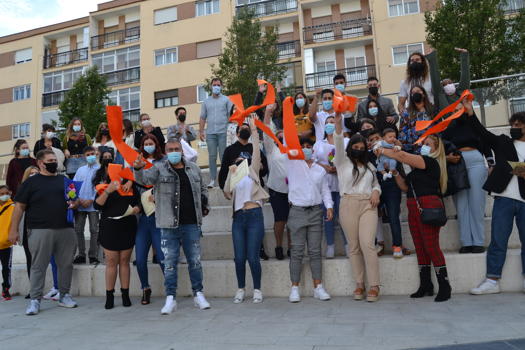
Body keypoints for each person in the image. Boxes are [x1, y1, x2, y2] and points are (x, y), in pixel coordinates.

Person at [133, 138, 211, 315]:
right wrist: (137, 168)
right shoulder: (159, 168)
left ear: (182, 151)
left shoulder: (194, 169)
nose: (174, 152)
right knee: (169, 263)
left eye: (176, 149)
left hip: (192, 223)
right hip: (168, 224)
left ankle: (198, 294)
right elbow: (144, 179)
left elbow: (204, 189)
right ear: (166, 152)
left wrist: (205, 205)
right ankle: (171, 298)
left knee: (195, 262)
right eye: (170, 149)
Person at [377, 135, 452, 302]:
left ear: (436, 149)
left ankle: (444, 285)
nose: (423, 146)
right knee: (420, 245)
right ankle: (426, 284)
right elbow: (404, 186)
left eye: (427, 144)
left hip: (427, 206)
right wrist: (395, 172)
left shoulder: (431, 163)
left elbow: (403, 156)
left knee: (431, 246)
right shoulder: (417, 169)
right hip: (414, 207)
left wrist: (383, 150)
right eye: (423, 144)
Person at [8, 149, 79, 315]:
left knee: (66, 265)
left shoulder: (64, 179)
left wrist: (75, 203)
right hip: (40, 230)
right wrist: (13, 230)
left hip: (65, 229)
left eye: (55, 160)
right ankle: (35, 300)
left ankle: (64, 295)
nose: (54, 162)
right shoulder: (31, 183)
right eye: (51, 160)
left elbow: (74, 200)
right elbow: (19, 207)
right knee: (38, 266)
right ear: (41, 163)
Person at [467, 109, 525, 295]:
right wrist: (470, 113)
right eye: (513, 125)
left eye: (518, 125)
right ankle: (492, 280)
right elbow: (481, 132)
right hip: (504, 198)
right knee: (498, 241)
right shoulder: (504, 142)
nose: (514, 128)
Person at [334, 113, 382, 301]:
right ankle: (360, 284)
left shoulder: (370, 165)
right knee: (353, 247)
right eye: (355, 147)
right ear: (350, 147)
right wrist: (338, 123)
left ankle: (375, 285)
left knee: (368, 244)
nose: (359, 150)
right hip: (348, 204)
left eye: (362, 148)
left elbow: (376, 183)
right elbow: (338, 142)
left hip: (368, 205)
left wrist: (376, 191)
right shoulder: (342, 161)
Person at [223, 117, 268, 304]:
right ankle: (241, 288)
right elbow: (226, 192)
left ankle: (257, 289)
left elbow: (256, 151)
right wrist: (231, 172)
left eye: (245, 159)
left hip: (254, 215)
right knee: (239, 257)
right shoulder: (234, 174)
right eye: (240, 159)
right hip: (238, 217)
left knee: (253, 257)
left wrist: (255, 131)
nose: (243, 160)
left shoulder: (253, 171)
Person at [287, 137, 333, 303]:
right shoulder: (292, 165)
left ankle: (318, 287)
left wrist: (329, 206)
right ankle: (294, 288)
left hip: (315, 211)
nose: (306, 149)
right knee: (297, 251)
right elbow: (278, 145)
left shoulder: (319, 170)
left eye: (309, 146)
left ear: (313, 150)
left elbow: (325, 190)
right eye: (303, 146)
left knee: (315, 251)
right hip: (297, 211)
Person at [441, 103, 492, 253]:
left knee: (477, 202)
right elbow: (441, 147)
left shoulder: (474, 124)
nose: (458, 112)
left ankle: (478, 241)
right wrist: (447, 158)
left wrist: (491, 162)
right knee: (461, 204)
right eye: (455, 110)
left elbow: (486, 142)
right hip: (457, 164)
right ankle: (466, 242)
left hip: (476, 161)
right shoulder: (448, 127)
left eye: (460, 109)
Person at [93, 149, 140, 309]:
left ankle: (125, 294)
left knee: (125, 261)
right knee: (112, 261)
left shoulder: (129, 185)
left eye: (116, 170)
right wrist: (108, 191)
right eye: (110, 170)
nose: (114, 173)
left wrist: (136, 209)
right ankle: (110, 295)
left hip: (127, 226)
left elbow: (139, 203)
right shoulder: (103, 186)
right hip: (110, 227)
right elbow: (96, 205)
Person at [218, 121, 269, 260]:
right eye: (243, 128)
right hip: (238, 191)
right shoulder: (229, 150)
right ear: (237, 132)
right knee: (240, 223)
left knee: (257, 221)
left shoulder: (255, 148)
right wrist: (225, 189)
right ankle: (242, 252)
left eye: (247, 128)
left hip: (254, 190)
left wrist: (262, 167)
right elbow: (223, 173)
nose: (245, 130)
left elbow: (265, 170)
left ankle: (260, 249)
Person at [135, 134, 165, 305]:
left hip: (159, 216)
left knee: (161, 257)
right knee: (139, 259)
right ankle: (145, 288)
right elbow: (134, 185)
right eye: (145, 144)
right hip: (143, 218)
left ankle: (170, 288)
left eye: (150, 143)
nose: (148, 146)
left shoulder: (164, 161)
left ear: (156, 144)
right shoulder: (138, 163)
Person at [313, 116, 348, 258]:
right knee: (328, 217)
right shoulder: (318, 144)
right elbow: (313, 160)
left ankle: (348, 245)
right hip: (325, 182)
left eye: (332, 122)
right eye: (327, 122)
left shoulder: (345, 141)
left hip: (341, 182)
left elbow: (349, 158)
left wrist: (337, 167)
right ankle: (330, 245)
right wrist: (325, 167)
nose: (329, 124)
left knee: (344, 217)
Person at [263, 104, 290, 260]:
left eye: (283, 135)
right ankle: (279, 246)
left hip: (293, 190)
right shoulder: (272, 149)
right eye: (278, 135)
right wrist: (268, 112)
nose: (280, 136)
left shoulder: (292, 148)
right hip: (276, 190)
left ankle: (292, 248)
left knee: (292, 222)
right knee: (280, 220)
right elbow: (267, 131)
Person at [199, 78, 234, 188]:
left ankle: (225, 179)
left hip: (224, 132)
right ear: (211, 86)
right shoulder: (206, 101)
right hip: (210, 133)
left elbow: (232, 115)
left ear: (222, 86)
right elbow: (202, 117)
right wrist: (201, 131)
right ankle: (213, 180)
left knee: (224, 156)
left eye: (218, 85)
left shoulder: (227, 100)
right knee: (212, 156)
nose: (216, 87)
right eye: (214, 85)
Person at [72, 146, 100, 265]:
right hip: (80, 204)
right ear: (84, 156)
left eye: (92, 154)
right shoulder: (80, 170)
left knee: (94, 230)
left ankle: (93, 255)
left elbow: (101, 187)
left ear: (96, 154)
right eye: (88, 154)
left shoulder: (100, 169)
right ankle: (81, 255)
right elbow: (73, 186)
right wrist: (78, 199)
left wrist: (92, 199)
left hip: (93, 205)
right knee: (78, 229)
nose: (90, 156)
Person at [427, 48, 470, 112]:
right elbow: (435, 77)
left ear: (453, 84)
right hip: (451, 120)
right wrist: (432, 58)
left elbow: (465, 76)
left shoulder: (461, 92)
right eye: (445, 84)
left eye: (450, 83)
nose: (448, 85)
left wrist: (464, 55)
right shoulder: (441, 96)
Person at [398, 85, 434, 153]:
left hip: (432, 147)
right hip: (414, 149)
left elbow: (438, 127)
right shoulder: (406, 113)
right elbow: (402, 133)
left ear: (423, 94)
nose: (415, 93)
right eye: (413, 92)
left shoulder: (432, 109)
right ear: (411, 97)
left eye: (418, 91)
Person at [0, 185, 14, 300]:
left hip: (6, 244)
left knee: (6, 268)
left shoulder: (13, 207)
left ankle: (6, 289)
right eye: (1, 194)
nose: (4, 196)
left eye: (6, 193)